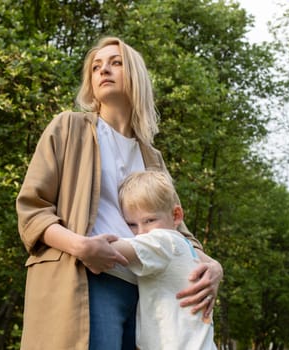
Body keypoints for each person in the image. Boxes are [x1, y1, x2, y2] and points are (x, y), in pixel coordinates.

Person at [16, 36, 223, 350]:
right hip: (86, 281)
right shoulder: (68, 128)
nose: (104, 70)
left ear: (135, 75)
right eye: (96, 67)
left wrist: (215, 267)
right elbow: (32, 210)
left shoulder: (152, 158)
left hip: (146, 296)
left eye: (115, 63)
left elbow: (177, 229)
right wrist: (82, 246)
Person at [111, 170, 218, 350]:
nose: (141, 232)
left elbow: (112, 251)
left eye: (149, 220)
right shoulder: (185, 246)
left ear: (176, 215)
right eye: (131, 224)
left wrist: (80, 244)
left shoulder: (164, 241)